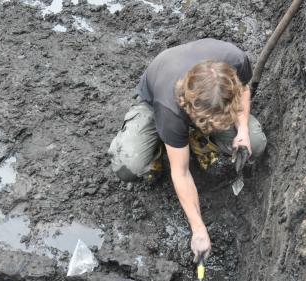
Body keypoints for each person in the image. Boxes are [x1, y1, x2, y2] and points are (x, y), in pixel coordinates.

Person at [108, 38, 267, 260]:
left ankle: (197, 135)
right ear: (191, 110)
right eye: (210, 124)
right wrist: (198, 228)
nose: (218, 126)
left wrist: (242, 132)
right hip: (155, 102)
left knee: (256, 144)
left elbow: (244, 89)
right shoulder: (169, 109)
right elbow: (181, 173)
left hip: (202, 100)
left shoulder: (235, 60)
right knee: (129, 166)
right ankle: (165, 144)